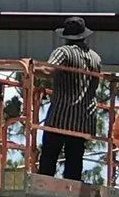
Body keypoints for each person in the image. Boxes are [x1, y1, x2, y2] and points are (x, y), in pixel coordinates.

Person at [36, 17, 102, 181]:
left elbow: (48, 71)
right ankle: (71, 187)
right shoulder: (95, 58)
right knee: (75, 158)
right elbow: (96, 84)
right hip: (84, 118)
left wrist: (29, 68)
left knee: (49, 155)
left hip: (62, 115)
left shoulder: (63, 52)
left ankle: (44, 185)